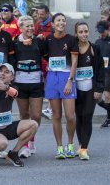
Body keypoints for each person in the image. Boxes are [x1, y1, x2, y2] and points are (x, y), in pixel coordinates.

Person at [0, 64, 38, 167]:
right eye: (1, 71)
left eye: (7, 72)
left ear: (12, 77)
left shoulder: (13, 87)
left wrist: (6, 88)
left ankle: (14, 153)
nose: (3, 74)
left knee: (33, 125)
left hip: (7, 127)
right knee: (3, 145)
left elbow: (15, 93)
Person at [45, 13, 78, 159]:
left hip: (67, 77)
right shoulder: (47, 39)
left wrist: (70, 80)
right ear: (52, 24)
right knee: (56, 115)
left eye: (63, 20)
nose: (61, 23)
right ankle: (59, 147)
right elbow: (43, 55)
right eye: (58, 20)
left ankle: (70, 144)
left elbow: (75, 61)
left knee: (70, 116)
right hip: (52, 77)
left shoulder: (71, 39)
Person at [13, 16, 47, 157]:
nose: (30, 28)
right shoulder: (15, 43)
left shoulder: (39, 41)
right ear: (20, 28)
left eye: (31, 26)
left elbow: (47, 56)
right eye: (26, 26)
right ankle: (25, 146)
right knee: (24, 115)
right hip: (20, 83)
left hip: (36, 83)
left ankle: (31, 140)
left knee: (36, 116)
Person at [74, 22, 105, 160]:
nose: (84, 34)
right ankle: (80, 145)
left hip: (90, 89)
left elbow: (100, 71)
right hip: (76, 89)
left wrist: (99, 88)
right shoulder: (72, 48)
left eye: (85, 31)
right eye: (80, 32)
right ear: (76, 33)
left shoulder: (95, 48)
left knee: (87, 116)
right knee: (79, 117)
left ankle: (84, 148)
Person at [34, 4, 53, 120]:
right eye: (38, 14)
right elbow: (34, 39)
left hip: (51, 59)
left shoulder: (54, 24)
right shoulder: (37, 24)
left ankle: (50, 109)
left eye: (42, 14)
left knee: (50, 83)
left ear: (47, 13)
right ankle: (42, 108)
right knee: (42, 84)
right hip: (40, 58)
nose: (39, 16)